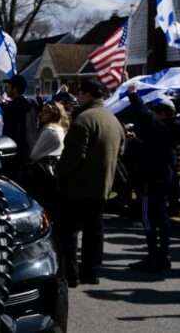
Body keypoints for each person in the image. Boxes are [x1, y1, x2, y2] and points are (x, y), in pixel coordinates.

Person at [57, 79, 125, 286]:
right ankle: (91, 272)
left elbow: (73, 156)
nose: (77, 98)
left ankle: (71, 273)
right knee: (94, 230)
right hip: (103, 184)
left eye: (80, 94)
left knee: (69, 231)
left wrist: (59, 174)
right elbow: (121, 150)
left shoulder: (84, 120)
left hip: (78, 185)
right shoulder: (113, 120)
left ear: (87, 95)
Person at [125, 87, 180, 273]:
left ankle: (154, 255)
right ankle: (163, 254)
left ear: (162, 113)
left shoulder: (162, 127)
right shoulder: (176, 127)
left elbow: (144, 115)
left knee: (149, 218)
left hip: (152, 177)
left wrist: (132, 94)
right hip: (164, 178)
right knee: (162, 218)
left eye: (155, 111)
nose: (153, 114)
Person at [25, 102, 68, 218]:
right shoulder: (60, 128)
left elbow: (34, 154)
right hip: (55, 170)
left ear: (53, 114)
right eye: (42, 111)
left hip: (44, 172)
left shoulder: (49, 130)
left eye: (45, 112)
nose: (41, 114)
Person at [1, 74, 40, 178]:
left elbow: (9, 134)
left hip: (16, 158)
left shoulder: (12, 107)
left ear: (15, 89)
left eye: (8, 87)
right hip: (32, 153)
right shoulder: (32, 104)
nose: (6, 90)